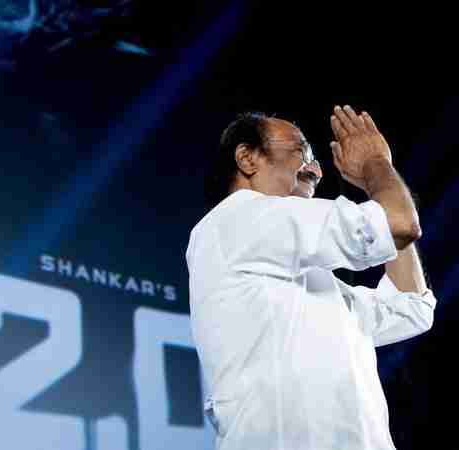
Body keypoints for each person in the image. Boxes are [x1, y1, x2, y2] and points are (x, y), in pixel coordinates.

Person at [186, 105, 437, 450]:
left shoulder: (312, 285)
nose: (316, 170)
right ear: (247, 158)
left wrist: (376, 190)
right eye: (300, 151)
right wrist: (375, 165)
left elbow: (411, 307)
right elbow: (400, 223)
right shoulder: (235, 220)